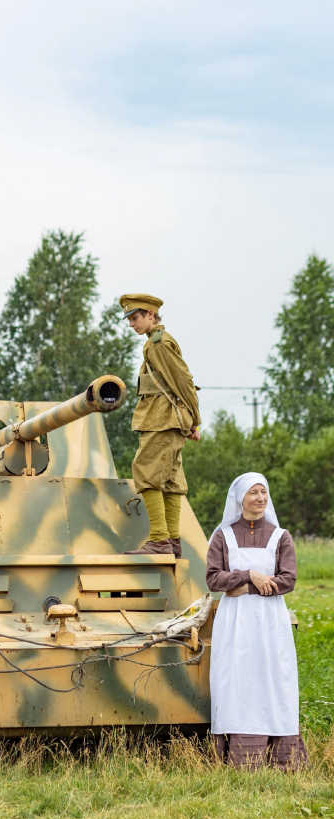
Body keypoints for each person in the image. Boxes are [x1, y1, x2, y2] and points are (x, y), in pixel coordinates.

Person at [206, 472, 308, 770]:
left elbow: (288, 579)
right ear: (240, 498)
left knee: (273, 679)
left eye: (263, 492)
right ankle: (239, 759)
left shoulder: (281, 536)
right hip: (235, 622)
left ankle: (282, 760)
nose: (260, 498)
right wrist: (248, 574)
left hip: (270, 620)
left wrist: (245, 587)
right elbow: (214, 578)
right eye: (253, 492)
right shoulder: (222, 535)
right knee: (236, 680)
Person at [120, 293, 201, 556]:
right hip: (165, 420)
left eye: (135, 317)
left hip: (162, 421)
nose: (132, 324)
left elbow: (184, 381)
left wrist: (195, 421)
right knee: (171, 480)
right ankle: (173, 542)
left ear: (151, 315)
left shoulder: (159, 344)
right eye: (130, 319)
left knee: (145, 472)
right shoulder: (155, 343)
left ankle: (159, 540)